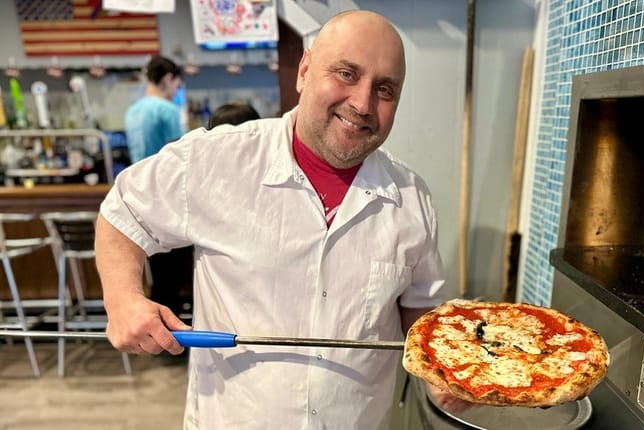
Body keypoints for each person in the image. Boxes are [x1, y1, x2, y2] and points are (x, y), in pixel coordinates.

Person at [95, 10, 469, 429]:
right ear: (305, 71)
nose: (363, 103)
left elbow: (418, 312)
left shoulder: (411, 198)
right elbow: (122, 211)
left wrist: (443, 369)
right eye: (346, 73)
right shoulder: (218, 160)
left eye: (385, 89)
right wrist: (122, 299)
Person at [123, 55, 191, 322]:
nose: (176, 91)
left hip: (141, 197)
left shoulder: (133, 112)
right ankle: (176, 332)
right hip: (168, 196)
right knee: (177, 269)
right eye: (177, 85)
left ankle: (160, 328)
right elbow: (180, 155)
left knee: (159, 268)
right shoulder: (167, 110)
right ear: (168, 79)